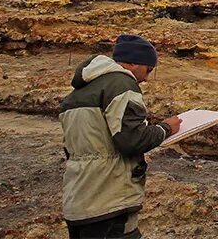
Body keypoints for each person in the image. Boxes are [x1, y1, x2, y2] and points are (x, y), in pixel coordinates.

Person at [60, 34, 181, 238]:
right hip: (109, 200)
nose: (146, 78)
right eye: (148, 70)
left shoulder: (77, 93)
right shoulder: (122, 84)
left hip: (78, 201)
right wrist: (166, 128)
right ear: (133, 62)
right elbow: (132, 141)